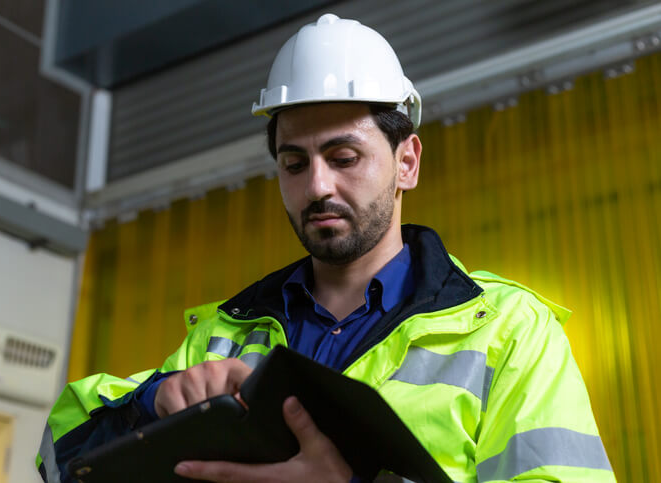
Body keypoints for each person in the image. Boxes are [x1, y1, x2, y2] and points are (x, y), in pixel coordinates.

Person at [37, 14, 616, 482]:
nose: (317, 186)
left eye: (344, 158)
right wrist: (156, 401)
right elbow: (60, 459)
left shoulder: (511, 332)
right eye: (294, 163)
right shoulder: (222, 337)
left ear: (406, 162)